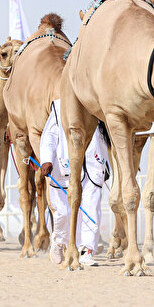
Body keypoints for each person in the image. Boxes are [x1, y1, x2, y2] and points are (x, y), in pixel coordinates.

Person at [39, 99, 109, 266]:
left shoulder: (99, 101)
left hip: (93, 163)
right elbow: (50, 134)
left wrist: (106, 163)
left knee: (91, 207)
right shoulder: (59, 106)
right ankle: (59, 242)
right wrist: (47, 159)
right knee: (63, 211)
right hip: (64, 165)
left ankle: (86, 250)